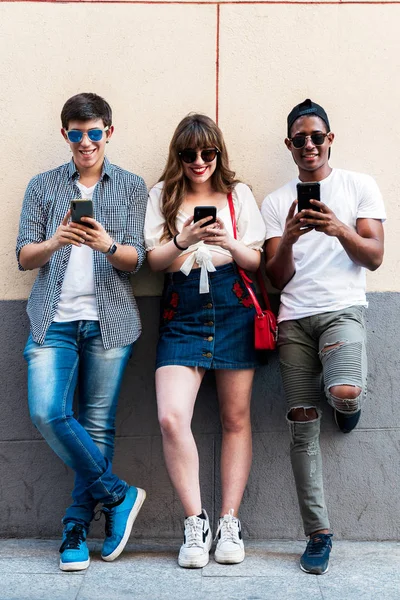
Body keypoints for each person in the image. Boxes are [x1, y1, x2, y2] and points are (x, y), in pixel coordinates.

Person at [16, 93, 147, 571]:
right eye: (77, 132)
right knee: (48, 412)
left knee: (96, 425)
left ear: (108, 133)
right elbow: (23, 256)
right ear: (65, 133)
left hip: (110, 320)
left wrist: (106, 244)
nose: (86, 141)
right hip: (53, 319)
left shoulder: (131, 186)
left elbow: (140, 260)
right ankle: (118, 494)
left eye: (95, 132)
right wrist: (58, 239)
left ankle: (75, 527)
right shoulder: (43, 185)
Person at [261, 99, 385, 575]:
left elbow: (373, 257)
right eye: (299, 139)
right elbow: (277, 278)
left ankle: (347, 405)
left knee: (346, 392)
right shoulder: (276, 203)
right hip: (294, 321)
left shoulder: (358, 186)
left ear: (330, 139)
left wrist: (337, 228)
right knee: (301, 423)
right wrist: (290, 236)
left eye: (316, 136)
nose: (308, 145)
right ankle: (318, 533)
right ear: (288, 145)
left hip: (342, 313)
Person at [144, 114, 266, 568]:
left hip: (233, 304)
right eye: (189, 154)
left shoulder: (238, 194)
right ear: (178, 156)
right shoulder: (164, 194)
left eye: (207, 153)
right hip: (182, 311)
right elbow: (154, 261)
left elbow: (255, 260)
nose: (199, 162)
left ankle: (230, 521)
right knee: (172, 417)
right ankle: (196, 523)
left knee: (236, 418)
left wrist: (226, 240)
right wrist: (184, 238)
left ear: (219, 153)